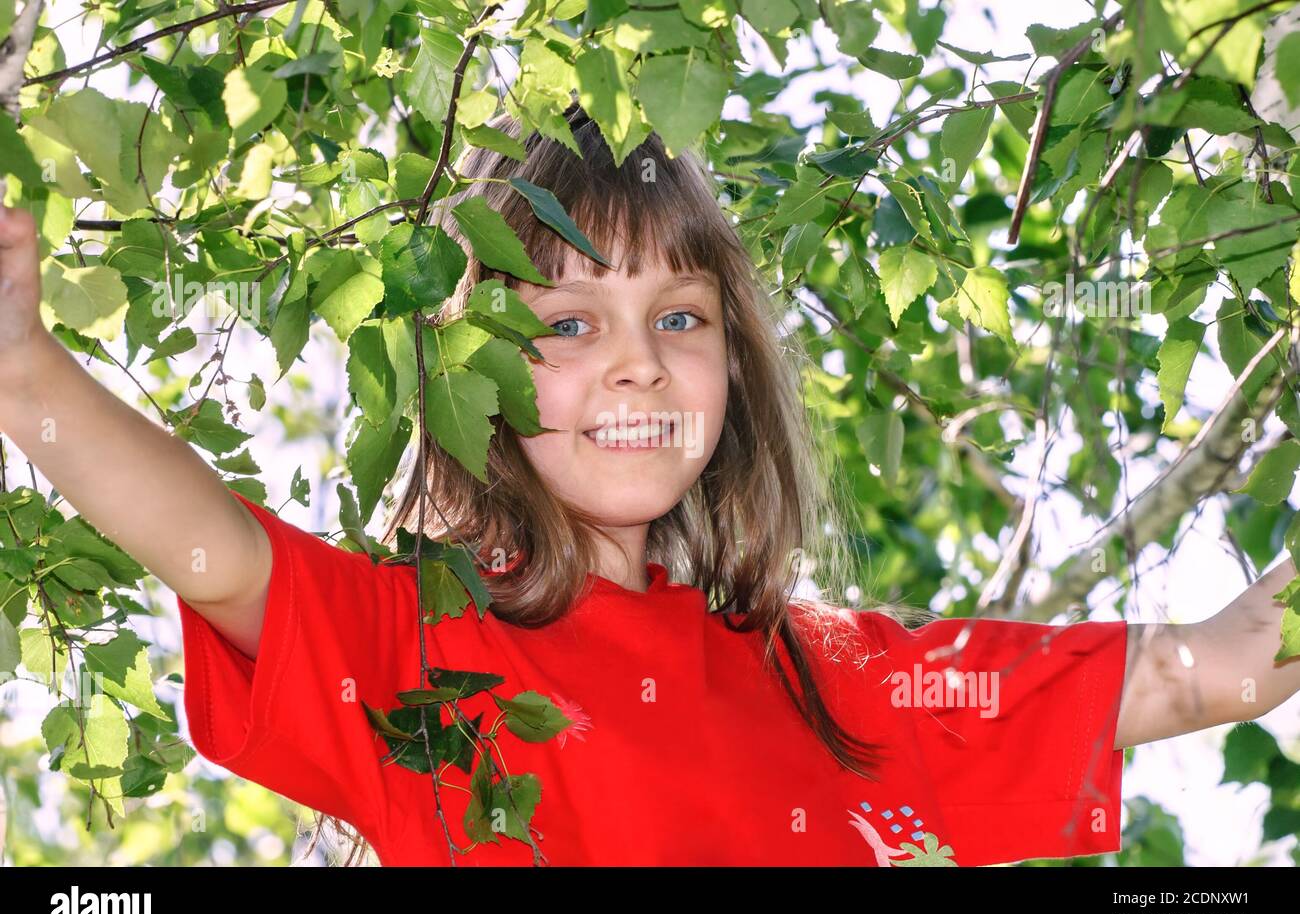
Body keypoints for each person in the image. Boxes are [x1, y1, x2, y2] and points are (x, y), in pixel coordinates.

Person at [1, 103, 1295, 867]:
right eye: (568, 325)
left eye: (679, 319)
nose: (636, 369)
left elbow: (1220, 666)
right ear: (477, 377)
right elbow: (216, 552)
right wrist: (22, 368)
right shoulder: (427, 650)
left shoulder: (831, 676)